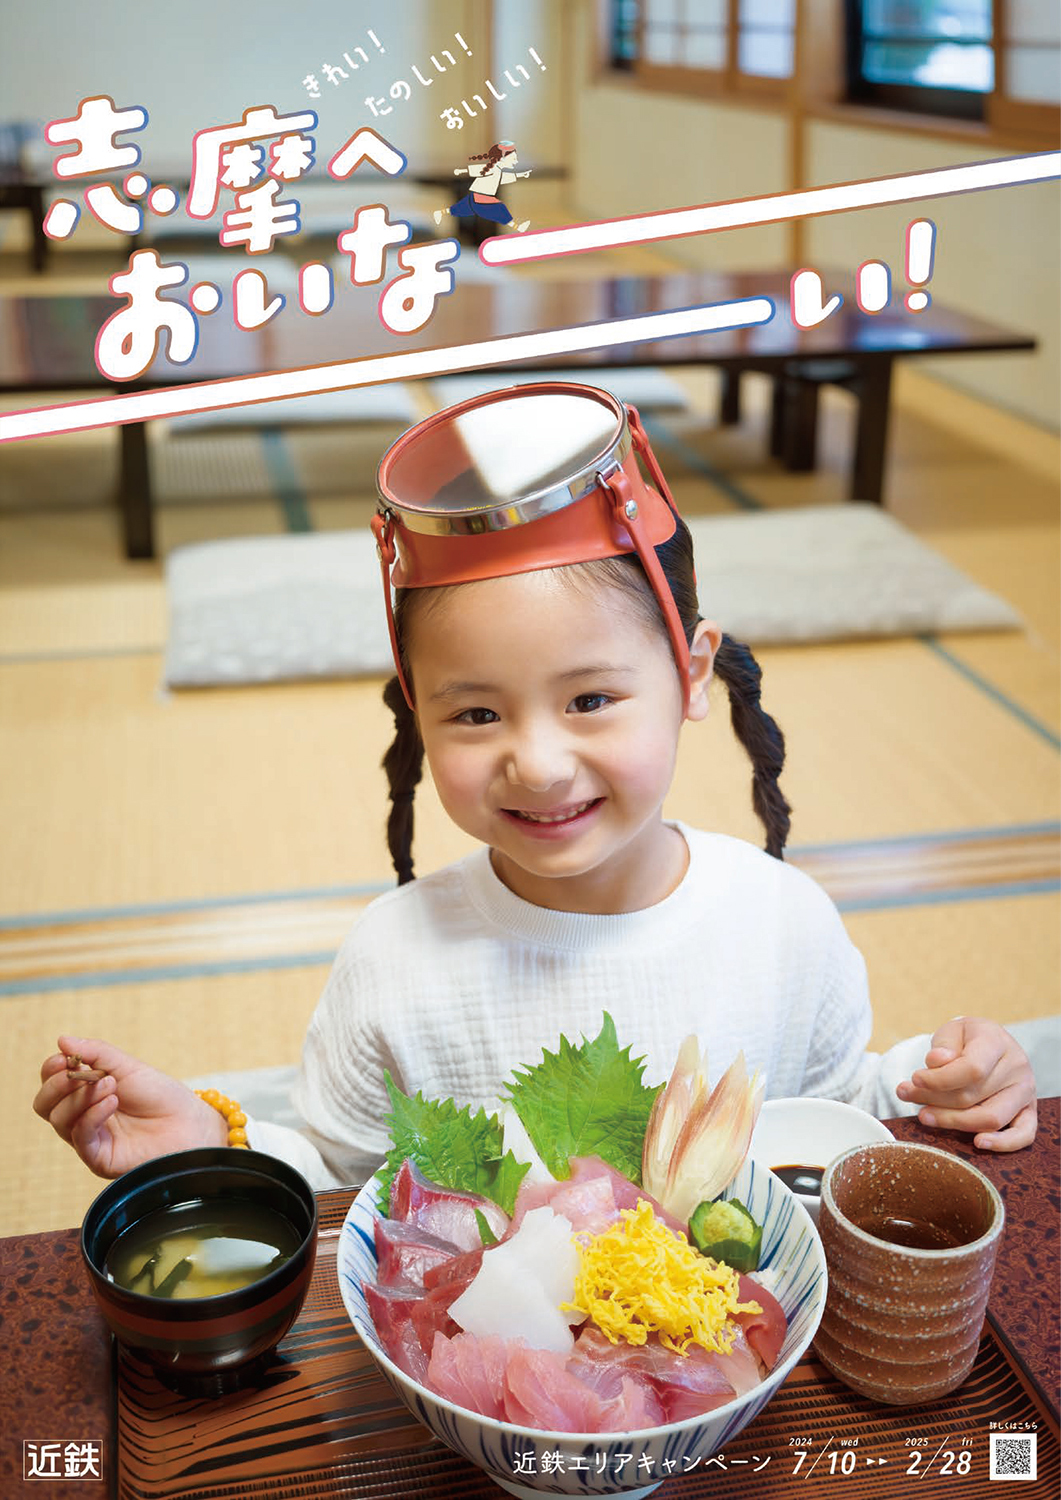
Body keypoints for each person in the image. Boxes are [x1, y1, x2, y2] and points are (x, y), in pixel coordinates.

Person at [34, 383, 1037, 1191]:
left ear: (691, 674)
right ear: (416, 709)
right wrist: (208, 1144)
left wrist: (950, 1085)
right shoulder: (393, 959)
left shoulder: (784, 924)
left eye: (591, 699)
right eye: (475, 714)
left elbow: (833, 1119)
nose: (539, 764)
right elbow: (342, 1179)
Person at [433, 140, 532, 233]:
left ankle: (440, 213)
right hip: (480, 199)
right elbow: (477, 170)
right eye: (513, 159)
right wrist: (461, 171)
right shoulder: (491, 168)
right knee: (500, 209)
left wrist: (521, 175)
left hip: (476, 198)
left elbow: (504, 177)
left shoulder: (498, 171)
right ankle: (517, 227)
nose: (516, 161)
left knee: (458, 209)